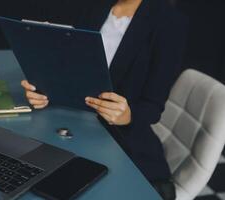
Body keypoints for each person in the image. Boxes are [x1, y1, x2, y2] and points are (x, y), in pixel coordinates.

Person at [20, 0, 187, 199]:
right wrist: (44, 89)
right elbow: (73, 67)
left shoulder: (169, 21)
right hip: (75, 126)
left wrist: (127, 114)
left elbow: (153, 106)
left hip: (125, 142)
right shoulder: (94, 6)